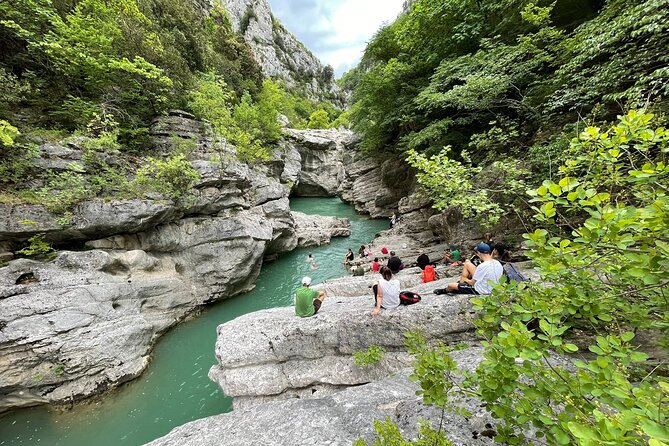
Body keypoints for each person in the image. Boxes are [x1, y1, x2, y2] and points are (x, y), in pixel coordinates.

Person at [434, 243, 503, 295]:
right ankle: (460, 285)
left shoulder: (482, 266)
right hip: (494, 288)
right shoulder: (497, 262)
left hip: (482, 290)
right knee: (467, 263)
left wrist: (466, 280)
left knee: (451, 285)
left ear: (478, 253)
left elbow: (472, 283)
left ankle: (445, 290)